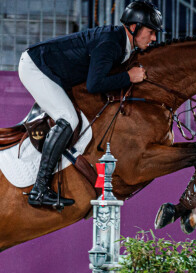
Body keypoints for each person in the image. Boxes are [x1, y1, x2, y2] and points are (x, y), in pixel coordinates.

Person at [18, 0, 162, 209]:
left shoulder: (122, 43)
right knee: (68, 118)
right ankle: (39, 190)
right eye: (150, 31)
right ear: (134, 27)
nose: (154, 38)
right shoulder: (111, 44)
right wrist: (128, 77)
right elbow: (95, 84)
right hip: (36, 68)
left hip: (52, 69)